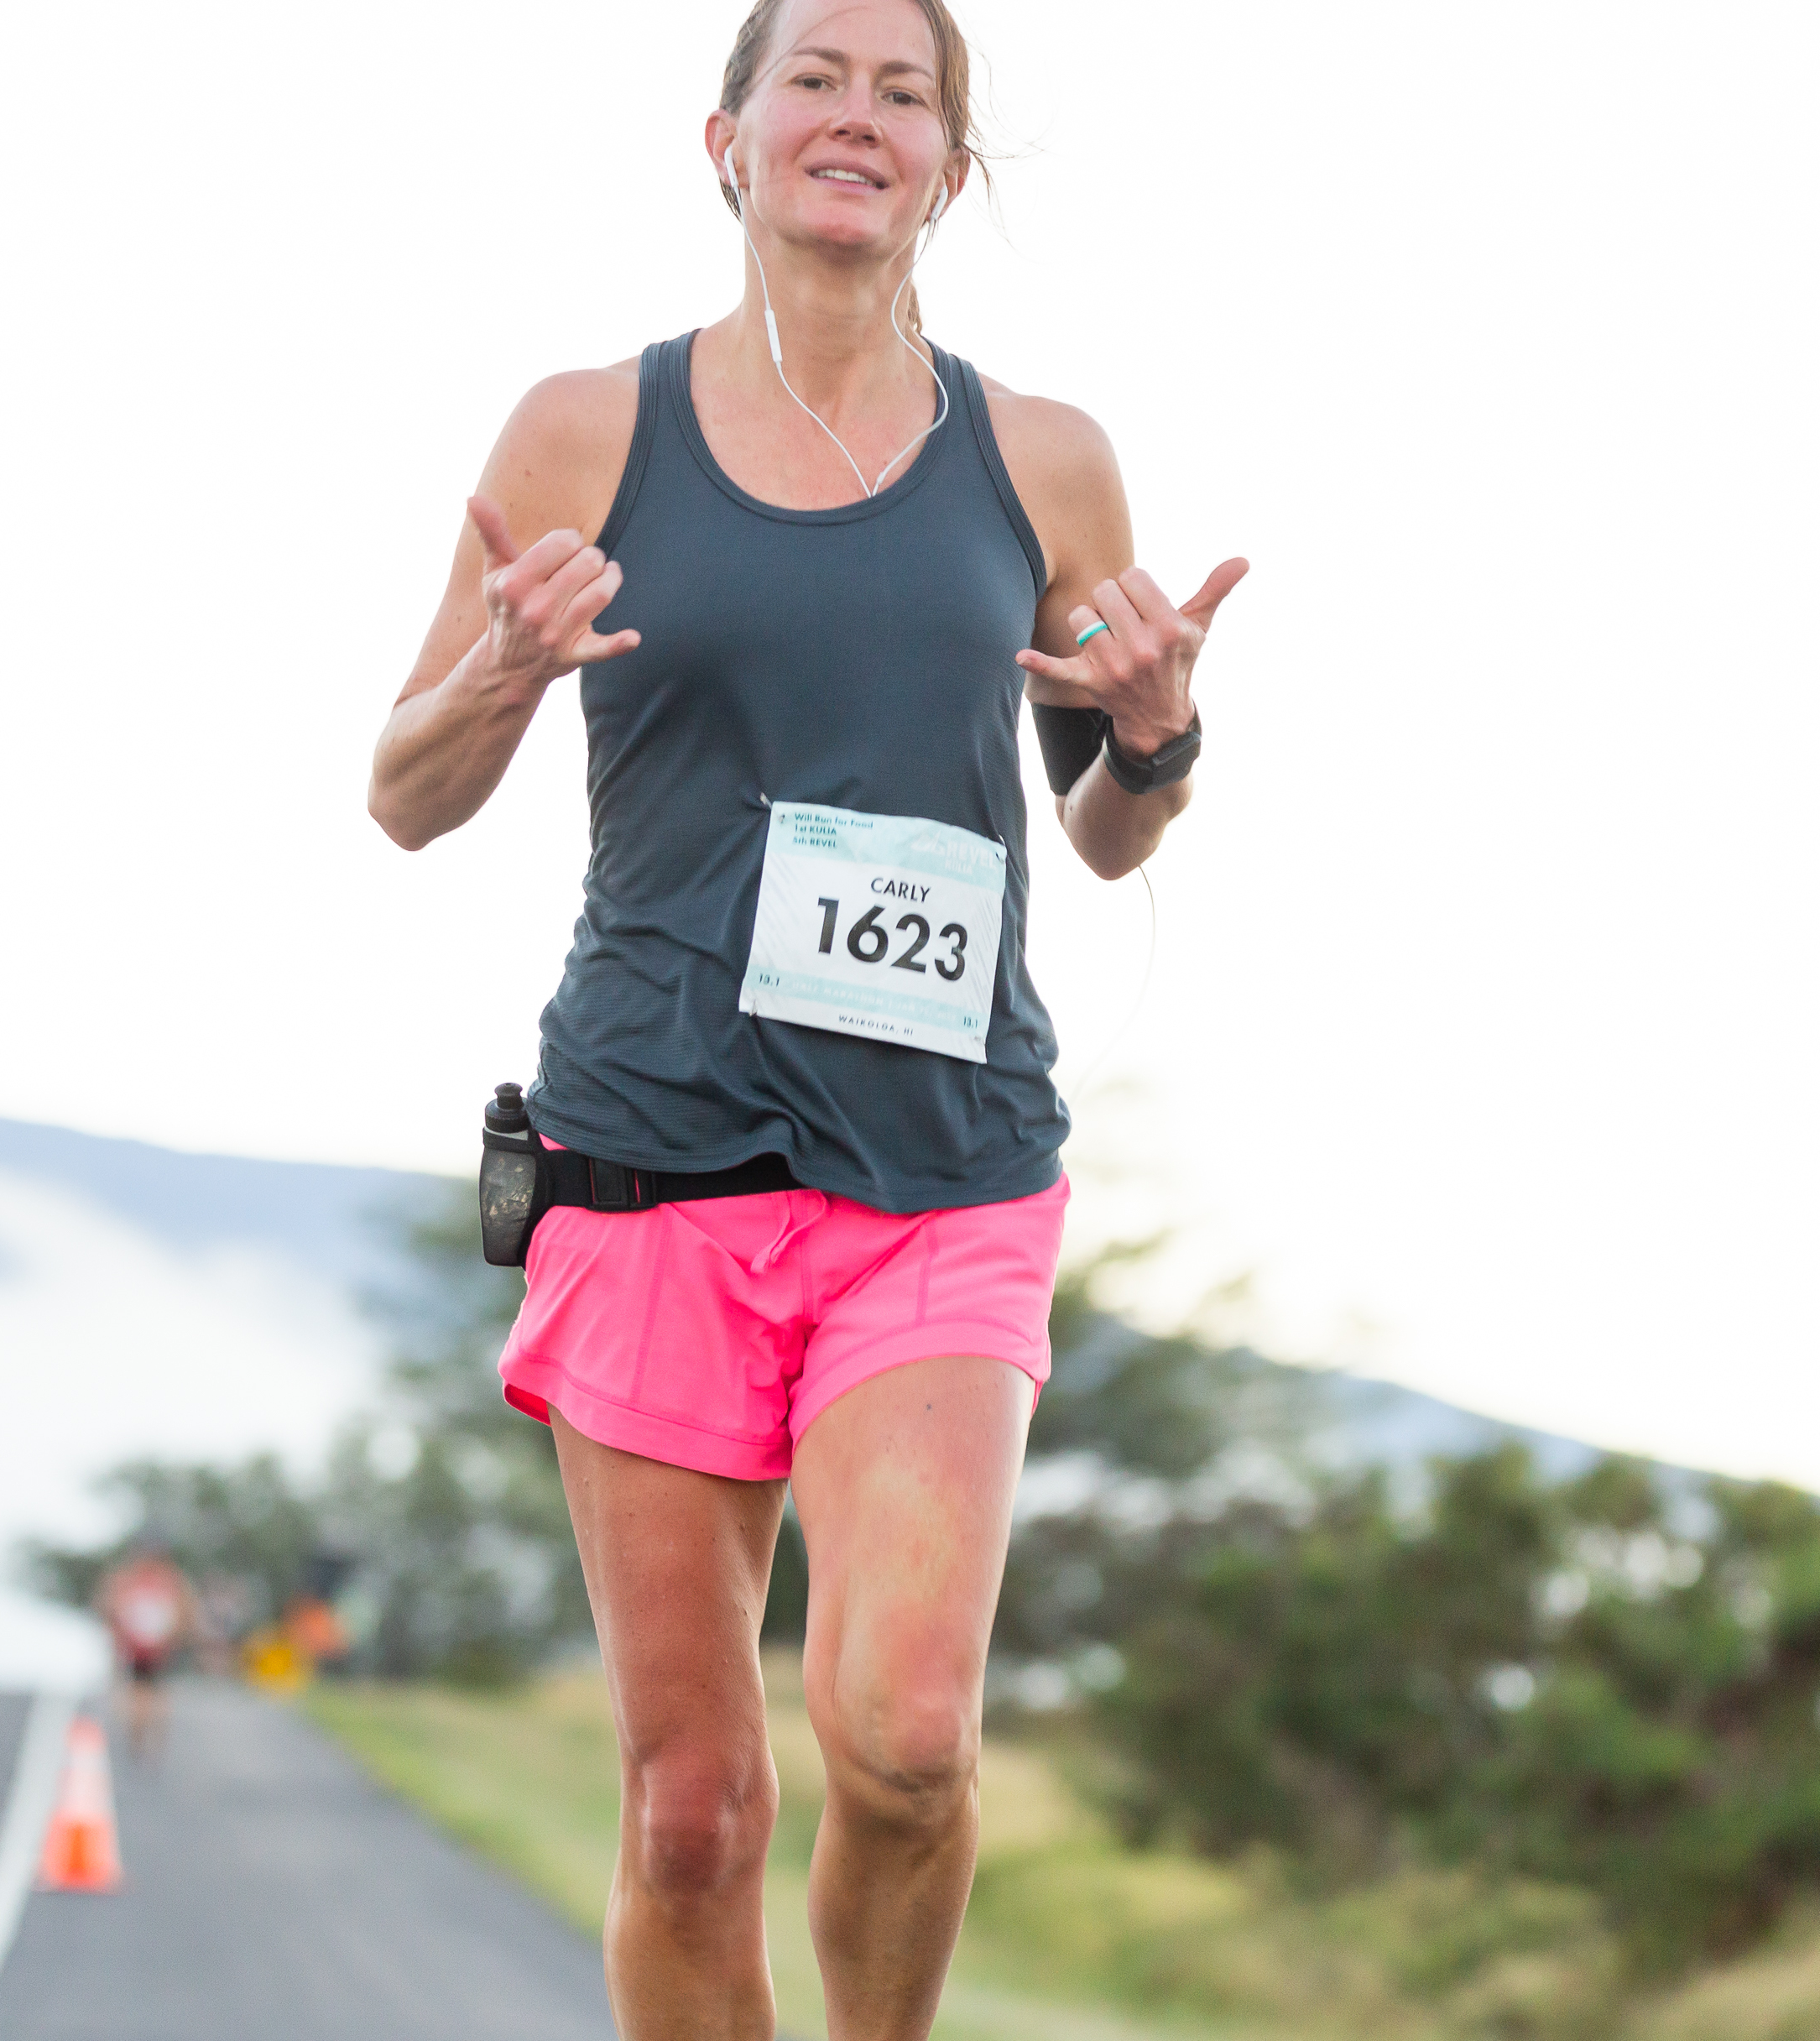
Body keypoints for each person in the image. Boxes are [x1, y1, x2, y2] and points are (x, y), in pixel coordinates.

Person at [367, 3, 1241, 2033]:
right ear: (728, 141)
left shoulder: (1045, 461)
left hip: (941, 1171)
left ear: (952, 164)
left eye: (904, 91)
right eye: (817, 80)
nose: (860, 116)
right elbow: (404, 795)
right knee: (691, 1813)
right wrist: (503, 672)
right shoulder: (587, 430)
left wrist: (1158, 739)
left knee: (910, 1735)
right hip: (649, 1156)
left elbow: (1104, 830)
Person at [93, 1538, 197, 1761]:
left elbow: (110, 1608)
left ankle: (142, 1738)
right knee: (149, 1691)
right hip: (151, 1645)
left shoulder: (132, 1578)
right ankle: (146, 1739)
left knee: (143, 1692)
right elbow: (186, 1612)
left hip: (145, 1645)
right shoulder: (169, 1579)